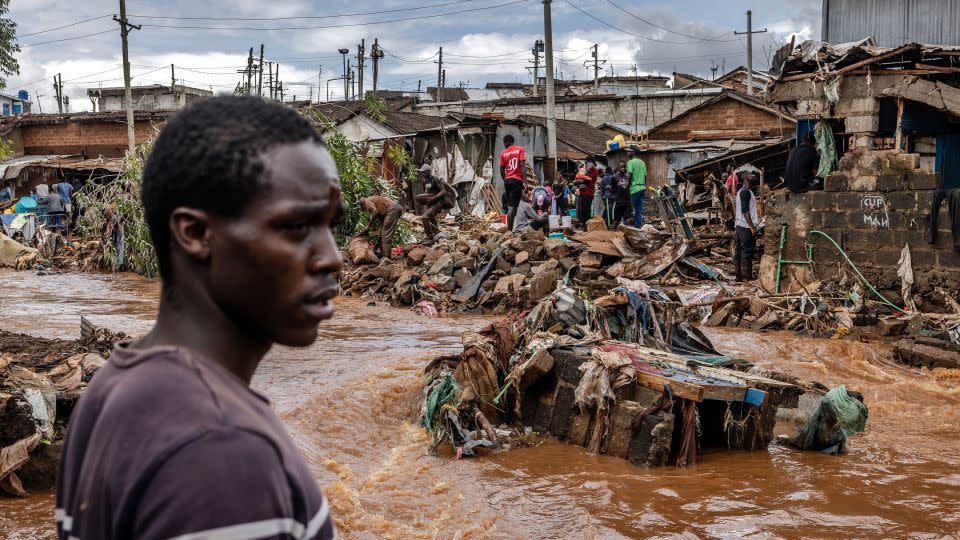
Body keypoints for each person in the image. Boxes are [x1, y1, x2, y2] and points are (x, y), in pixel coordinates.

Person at [55, 96, 338, 540]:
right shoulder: (222, 448)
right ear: (196, 234)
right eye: (298, 227)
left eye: (330, 226)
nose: (332, 258)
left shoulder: (110, 387)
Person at [734, 173, 759, 282]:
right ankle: (746, 278)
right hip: (745, 227)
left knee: (739, 251)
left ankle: (738, 277)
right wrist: (752, 227)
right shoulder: (745, 192)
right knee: (746, 252)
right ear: (746, 180)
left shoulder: (741, 191)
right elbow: (745, 211)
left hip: (739, 225)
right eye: (750, 176)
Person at [416, 174, 456, 240]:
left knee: (424, 217)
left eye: (424, 172)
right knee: (432, 219)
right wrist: (426, 199)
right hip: (431, 203)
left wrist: (434, 198)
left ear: (428, 171)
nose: (423, 174)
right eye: (422, 172)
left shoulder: (435, 179)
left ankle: (431, 235)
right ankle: (437, 236)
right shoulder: (425, 181)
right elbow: (427, 193)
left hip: (437, 203)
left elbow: (443, 191)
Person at [499, 134, 526, 230]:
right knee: (512, 207)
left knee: (513, 205)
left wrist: (506, 180)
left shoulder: (503, 153)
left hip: (507, 180)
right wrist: (525, 181)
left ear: (507, 142)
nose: (504, 145)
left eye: (504, 143)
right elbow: (522, 165)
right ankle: (509, 231)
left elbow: (501, 171)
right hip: (517, 180)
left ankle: (511, 228)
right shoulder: (520, 149)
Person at [626, 147, 647, 226]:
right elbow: (645, 177)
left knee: (629, 209)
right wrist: (644, 186)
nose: (627, 153)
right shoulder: (642, 162)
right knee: (639, 210)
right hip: (642, 188)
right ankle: (638, 227)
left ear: (633, 152)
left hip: (634, 189)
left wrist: (625, 187)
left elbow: (629, 176)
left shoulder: (630, 162)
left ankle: (626, 227)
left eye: (628, 151)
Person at [573, 159, 597, 228]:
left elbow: (584, 180)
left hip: (587, 193)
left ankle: (586, 228)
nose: (586, 165)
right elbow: (576, 181)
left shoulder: (594, 170)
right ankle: (584, 227)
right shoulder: (586, 170)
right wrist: (576, 181)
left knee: (586, 212)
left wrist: (576, 181)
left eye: (587, 163)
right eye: (586, 163)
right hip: (582, 193)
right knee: (582, 212)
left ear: (592, 163)